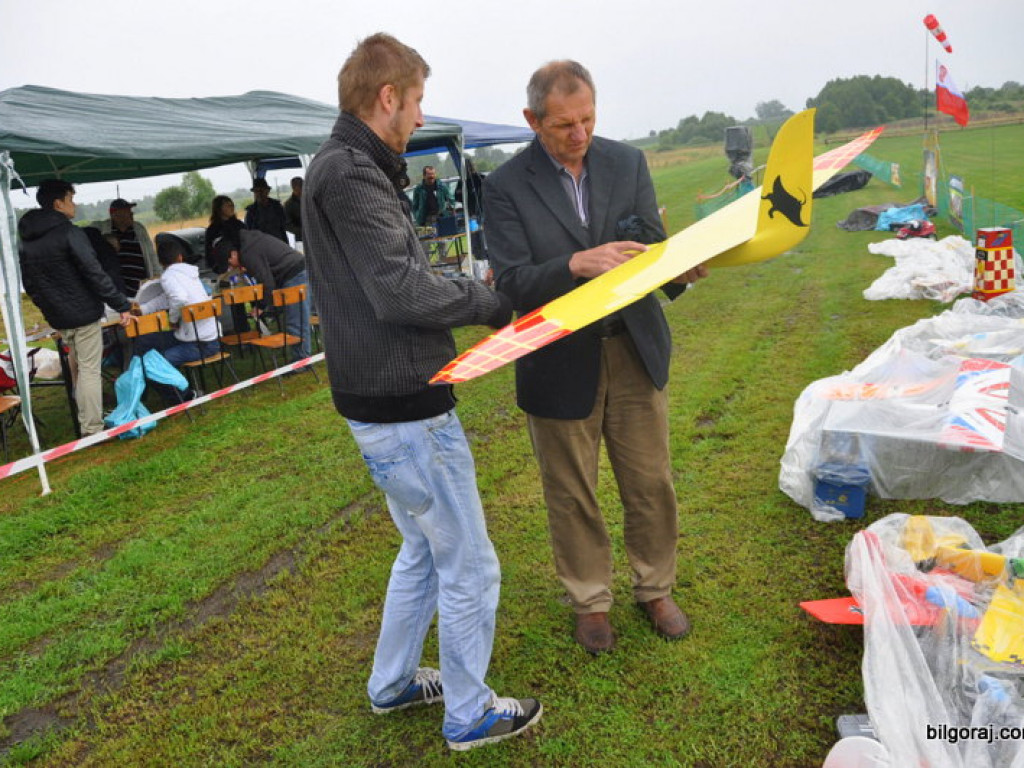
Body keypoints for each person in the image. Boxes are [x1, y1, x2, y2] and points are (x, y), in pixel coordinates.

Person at [302, 32, 541, 751]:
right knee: (468, 562)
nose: (419, 115)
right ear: (388, 98)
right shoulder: (350, 173)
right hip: (405, 409)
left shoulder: (346, 166)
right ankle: (470, 713)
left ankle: (393, 681)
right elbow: (401, 291)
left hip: (384, 403)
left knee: (422, 549)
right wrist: (489, 303)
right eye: (416, 101)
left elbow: (395, 276)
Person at [484, 60, 709, 655]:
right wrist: (574, 266)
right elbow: (510, 281)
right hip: (557, 361)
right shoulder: (504, 186)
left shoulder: (627, 162)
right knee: (571, 491)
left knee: (650, 480)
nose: (579, 133)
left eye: (587, 118)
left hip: (633, 347)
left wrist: (679, 269)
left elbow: (649, 244)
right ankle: (590, 601)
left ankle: (655, 588)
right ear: (532, 120)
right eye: (564, 125)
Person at [18, 179, 133, 436]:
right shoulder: (70, 233)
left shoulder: (26, 241)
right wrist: (121, 304)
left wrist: (49, 309)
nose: (75, 204)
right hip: (83, 313)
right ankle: (91, 428)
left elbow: (29, 284)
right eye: (71, 199)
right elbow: (94, 272)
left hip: (58, 317)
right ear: (58, 203)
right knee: (89, 370)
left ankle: (86, 417)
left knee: (78, 367)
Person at [131, 238, 218, 401]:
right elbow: (167, 298)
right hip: (205, 337)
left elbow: (179, 298)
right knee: (144, 341)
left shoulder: (169, 276)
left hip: (198, 343)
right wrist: (143, 310)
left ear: (160, 262)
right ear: (180, 257)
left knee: (151, 366)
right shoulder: (190, 275)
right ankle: (139, 390)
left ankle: (184, 396)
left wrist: (172, 320)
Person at [211, 229, 311, 360]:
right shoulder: (249, 243)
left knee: (296, 322)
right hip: (292, 272)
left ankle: (302, 361)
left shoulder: (248, 253)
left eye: (229, 263)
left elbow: (267, 283)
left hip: (294, 274)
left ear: (233, 254)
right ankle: (300, 358)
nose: (231, 267)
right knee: (294, 320)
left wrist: (261, 307)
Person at [99, 198, 158, 296]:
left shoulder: (139, 229)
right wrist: (105, 238)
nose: (131, 213)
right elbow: (86, 234)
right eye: (126, 211)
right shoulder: (103, 229)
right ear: (114, 214)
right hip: (118, 292)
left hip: (142, 290)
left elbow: (152, 256)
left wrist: (157, 276)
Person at [204, 195, 245, 270]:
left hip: (243, 263)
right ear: (219, 208)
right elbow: (209, 252)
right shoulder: (213, 229)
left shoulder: (239, 224)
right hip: (223, 267)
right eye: (228, 205)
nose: (232, 207)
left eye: (232, 205)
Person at [244, 178, 289, 243]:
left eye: (262, 190)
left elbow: (284, 226)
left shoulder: (277, 206)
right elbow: (249, 232)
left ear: (267, 191)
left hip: (278, 243)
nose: (259, 193)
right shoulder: (251, 211)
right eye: (256, 191)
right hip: (261, 244)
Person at [283, 176, 303, 246]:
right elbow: (287, 225)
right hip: (300, 239)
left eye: (302, 185)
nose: (302, 188)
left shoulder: (309, 199)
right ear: (293, 187)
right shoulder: (288, 204)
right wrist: (303, 231)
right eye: (299, 186)